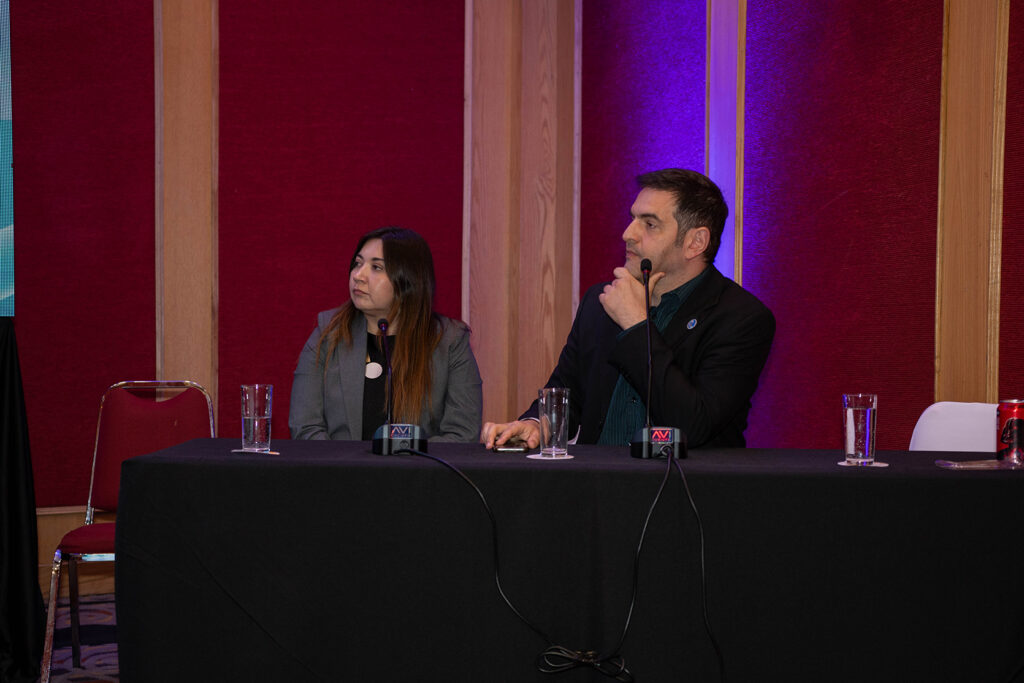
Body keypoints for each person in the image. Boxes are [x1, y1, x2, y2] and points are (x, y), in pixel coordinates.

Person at [481, 168, 775, 450]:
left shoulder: (741, 319)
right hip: (596, 479)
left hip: (683, 482)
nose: (628, 233)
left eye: (649, 224)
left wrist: (636, 326)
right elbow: (567, 392)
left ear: (695, 242)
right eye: (633, 219)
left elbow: (694, 424)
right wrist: (536, 425)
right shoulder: (601, 300)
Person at [290, 226, 482, 442]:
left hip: (420, 465)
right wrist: (346, 462)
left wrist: (406, 457)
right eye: (358, 263)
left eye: (376, 267)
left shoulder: (450, 342)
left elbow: (462, 435)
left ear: (408, 280)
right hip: (338, 464)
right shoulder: (328, 333)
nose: (358, 276)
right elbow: (305, 428)